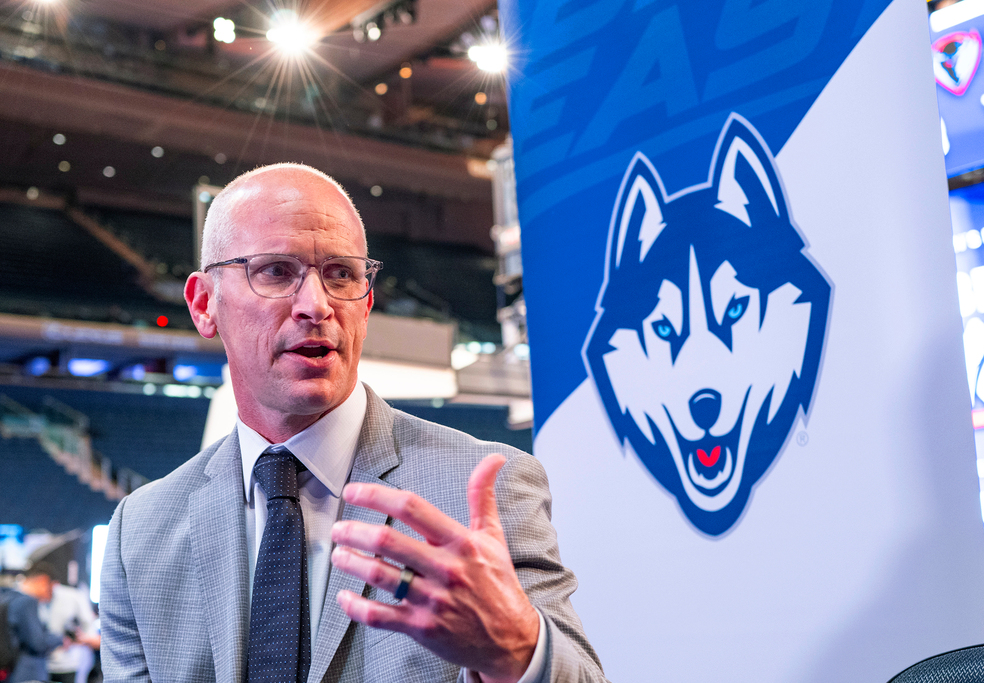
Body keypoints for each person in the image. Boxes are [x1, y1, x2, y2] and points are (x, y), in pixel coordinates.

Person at [100, 163, 606, 683]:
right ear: (205, 304)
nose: (316, 305)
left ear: (365, 305)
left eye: (341, 274)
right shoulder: (140, 531)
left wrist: (517, 650)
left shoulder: (485, 491)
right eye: (276, 270)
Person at [3, 567, 64, 683]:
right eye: (51, 589)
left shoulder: (8, 596)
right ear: (43, 581)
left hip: (10, 669)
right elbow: (37, 643)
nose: (51, 595)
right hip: (26, 672)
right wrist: (60, 639)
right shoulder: (27, 602)